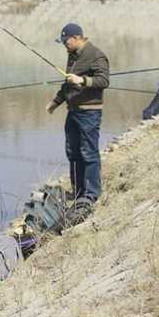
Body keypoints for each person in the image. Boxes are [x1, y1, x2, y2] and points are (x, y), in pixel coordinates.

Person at [46, 23, 110, 212]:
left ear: (76, 37)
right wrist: (55, 102)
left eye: (66, 41)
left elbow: (104, 80)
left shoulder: (96, 54)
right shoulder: (72, 56)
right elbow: (68, 84)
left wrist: (82, 80)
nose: (64, 45)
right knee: (73, 152)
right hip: (73, 111)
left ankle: (91, 194)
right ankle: (78, 191)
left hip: (89, 112)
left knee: (88, 152)